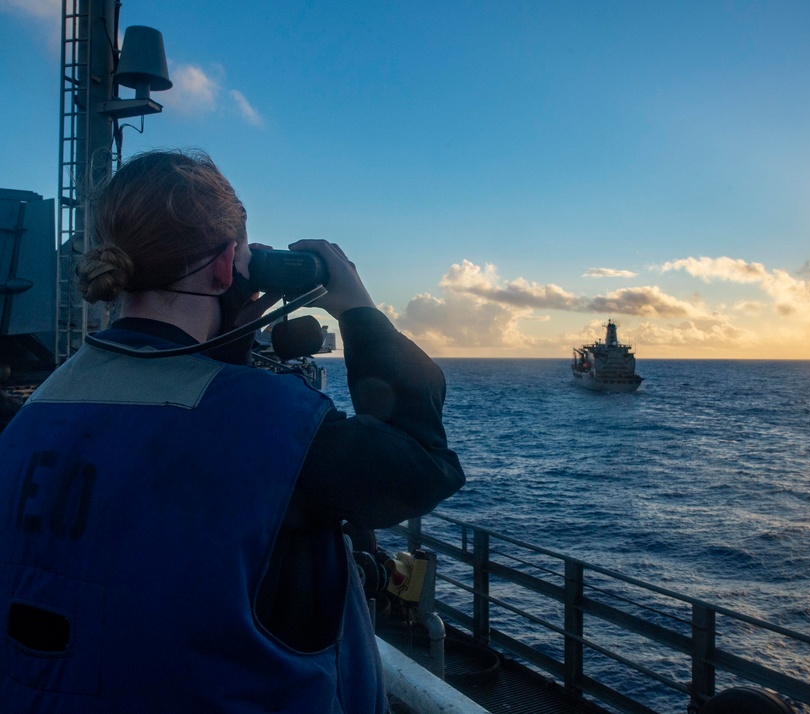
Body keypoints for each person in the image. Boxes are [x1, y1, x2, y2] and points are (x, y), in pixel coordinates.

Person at [0, 150, 465, 713]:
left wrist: (233, 342)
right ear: (226, 268)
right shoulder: (276, 423)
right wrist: (359, 308)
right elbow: (424, 466)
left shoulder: (32, 414)